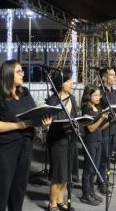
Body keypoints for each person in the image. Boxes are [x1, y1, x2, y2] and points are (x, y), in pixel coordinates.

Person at [0, 59, 51, 211]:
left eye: (22, 71)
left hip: (25, 146)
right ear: (8, 74)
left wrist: (43, 123)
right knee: (1, 190)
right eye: (19, 71)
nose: (23, 74)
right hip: (4, 149)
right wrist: (17, 126)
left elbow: (33, 117)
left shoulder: (25, 93)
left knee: (19, 188)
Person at [46, 69, 77, 211]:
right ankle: (52, 203)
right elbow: (49, 123)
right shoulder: (53, 100)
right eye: (68, 80)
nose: (71, 83)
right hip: (58, 141)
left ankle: (60, 199)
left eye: (71, 80)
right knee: (58, 173)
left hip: (70, 139)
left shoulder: (72, 98)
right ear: (60, 83)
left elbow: (75, 117)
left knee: (66, 173)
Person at [80, 85, 106, 206]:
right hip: (90, 141)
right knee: (88, 168)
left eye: (99, 95)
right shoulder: (86, 109)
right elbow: (90, 128)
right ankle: (85, 194)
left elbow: (100, 128)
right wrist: (101, 119)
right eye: (95, 95)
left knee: (94, 169)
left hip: (98, 140)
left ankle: (91, 191)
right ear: (88, 96)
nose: (98, 97)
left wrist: (110, 119)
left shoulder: (98, 108)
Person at [97, 67, 116, 194]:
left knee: (108, 156)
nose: (115, 77)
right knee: (103, 156)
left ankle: (104, 177)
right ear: (104, 78)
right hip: (103, 128)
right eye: (112, 75)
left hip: (113, 128)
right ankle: (101, 181)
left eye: (115, 75)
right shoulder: (99, 92)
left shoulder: (115, 92)